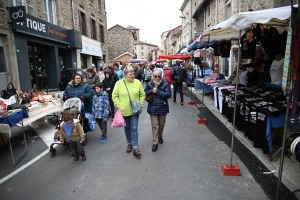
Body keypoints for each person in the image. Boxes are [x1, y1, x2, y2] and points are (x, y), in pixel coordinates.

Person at [112, 66, 146, 157]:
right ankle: (129, 143)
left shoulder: (137, 82)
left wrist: (140, 104)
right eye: (130, 74)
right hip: (124, 110)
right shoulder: (119, 83)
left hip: (135, 109)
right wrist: (120, 106)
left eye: (133, 74)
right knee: (127, 128)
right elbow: (114, 96)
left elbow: (142, 94)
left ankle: (135, 147)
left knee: (134, 128)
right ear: (125, 75)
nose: (133, 76)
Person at [144, 69, 171, 152]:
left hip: (163, 107)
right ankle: (155, 142)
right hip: (152, 108)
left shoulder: (165, 84)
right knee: (155, 125)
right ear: (153, 77)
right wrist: (151, 91)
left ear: (161, 76)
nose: (157, 78)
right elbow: (144, 93)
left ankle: (160, 136)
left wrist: (158, 91)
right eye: (155, 76)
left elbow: (168, 95)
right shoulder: (149, 84)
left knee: (161, 125)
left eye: (159, 76)